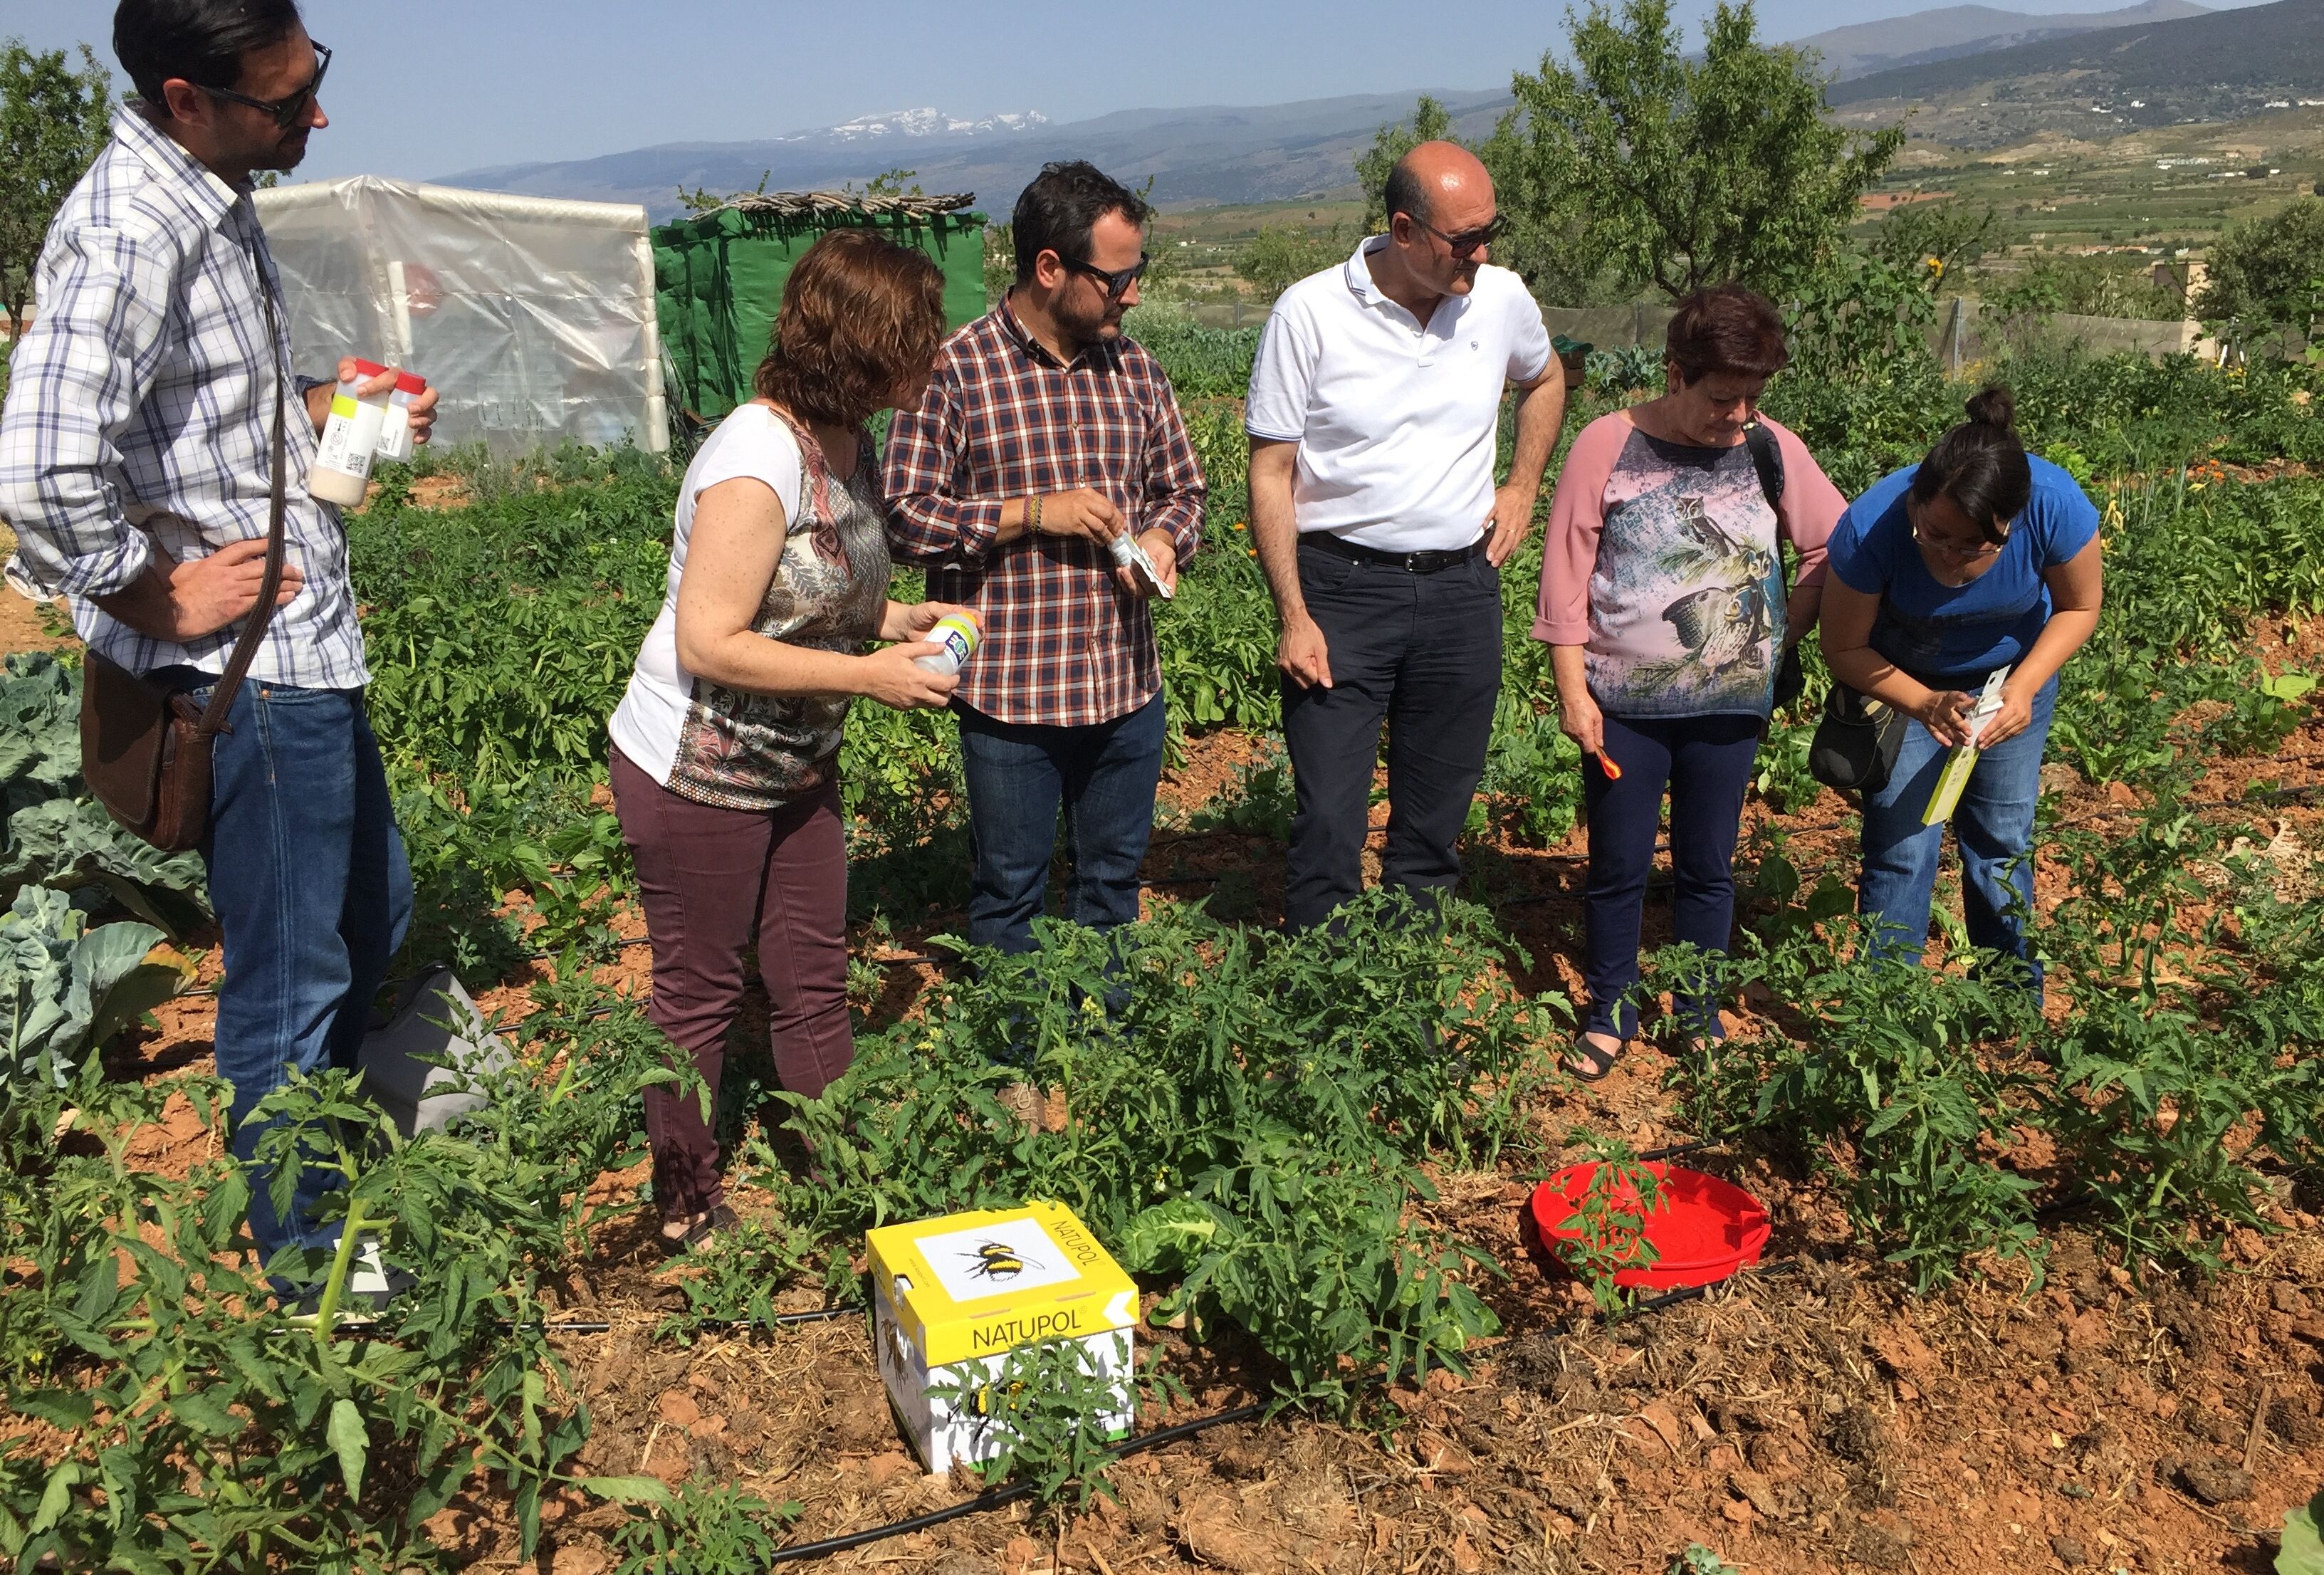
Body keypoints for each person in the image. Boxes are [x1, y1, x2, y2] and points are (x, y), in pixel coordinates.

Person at [0, 0, 437, 1301]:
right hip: (249, 678)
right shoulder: (134, 230)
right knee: (290, 978)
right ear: (186, 99)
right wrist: (152, 596)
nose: (316, 114)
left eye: (313, 78)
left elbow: (197, 415)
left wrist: (321, 406)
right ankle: (317, 1271)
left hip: (303, 647)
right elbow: (40, 468)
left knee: (370, 912)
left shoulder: (211, 194)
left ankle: (331, 1155)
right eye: (285, 99)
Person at [609, 231, 969, 1252]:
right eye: (915, 341)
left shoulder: (849, 439)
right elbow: (711, 640)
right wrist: (868, 675)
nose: (931, 358)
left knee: (810, 970)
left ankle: (840, 1171)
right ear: (861, 347)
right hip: (698, 769)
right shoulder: (756, 457)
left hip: (795, 761)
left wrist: (891, 620)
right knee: (702, 989)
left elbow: (809, 592)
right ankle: (684, 1200)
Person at [884, 161, 1205, 961]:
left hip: (1125, 685)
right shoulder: (954, 372)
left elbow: (1183, 490)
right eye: (1117, 278)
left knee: (1113, 886)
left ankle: (1105, 1022)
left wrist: (1164, 540)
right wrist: (1031, 514)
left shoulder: (1136, 371)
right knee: (1010, 891)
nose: (1133, 295)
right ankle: (1017, 1029)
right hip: (1011, 696)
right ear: (1050, 268)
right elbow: (904, 517)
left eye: (1138, 272)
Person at [1245, 142, 1565, 933]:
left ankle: (1406, 973)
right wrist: (1294, 615)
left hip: (1461, 590)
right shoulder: (1310, 313)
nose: (1481, 254)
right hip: (1342, 591)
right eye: (1465, 239)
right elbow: (1271, 472)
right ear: (1403, 230)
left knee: (1436, 812)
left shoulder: (1499, 298)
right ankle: (1324, 977)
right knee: (1330, 816)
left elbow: (1546, 377)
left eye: (1490, 233)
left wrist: (1523, 484)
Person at [1534, 285, 1844, 1080]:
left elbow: (1831, 544)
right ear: (1675, 373)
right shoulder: (1607, 445)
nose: (1737, 416)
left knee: (1708, 865)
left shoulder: (1772, 448)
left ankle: (1698, 1011)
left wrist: (1784, 632)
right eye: (1720, 398)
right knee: (1619, 865)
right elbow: (1565, 577)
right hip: (1624, 708)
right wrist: (1573, 693)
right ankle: (1610, 1011)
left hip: (1730, 710)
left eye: (1751, 399)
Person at [1820, 386, 2103, 990]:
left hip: (2010, 681)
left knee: (2001, 839)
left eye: (1975, 544)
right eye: (1934, 534)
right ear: (1916, 502)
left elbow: (2079, 607)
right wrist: (1924, 702)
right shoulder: (1871, 528)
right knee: (1902, 846)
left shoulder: (2054, 505)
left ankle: (2010, 999)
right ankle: (1884, 1007)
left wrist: (2023, 688)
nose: (1950, 557)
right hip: (1903, 687)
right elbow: (1843, 647)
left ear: (2011, 521)